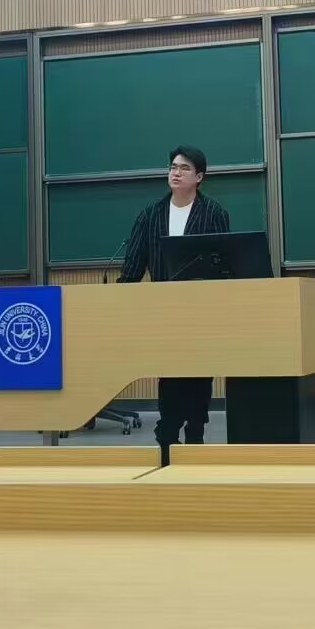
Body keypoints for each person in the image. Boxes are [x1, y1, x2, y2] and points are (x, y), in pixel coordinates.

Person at [117, 144, 231, 461]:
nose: (175, 173)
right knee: (170, 374)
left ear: (199, 177)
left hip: (202, 311)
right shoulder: (150, 215)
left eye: (184, 168)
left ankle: (195, 434)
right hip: (164, 312)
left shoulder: (214, 213)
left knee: (199, 375)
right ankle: (167, 434)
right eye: (172, 167)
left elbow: (225, 263)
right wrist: (119, 300)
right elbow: (133, 267)